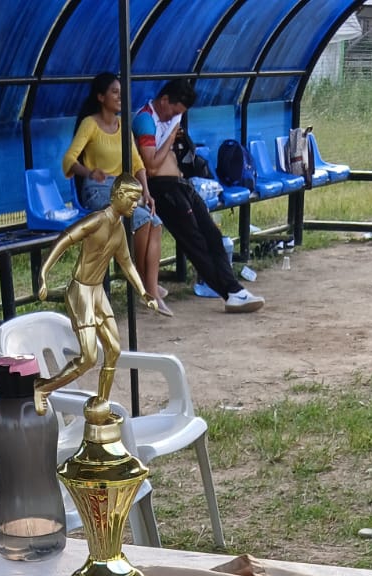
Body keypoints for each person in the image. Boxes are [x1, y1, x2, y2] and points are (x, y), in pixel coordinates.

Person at [134, 78, 264, 314]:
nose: (175, 117)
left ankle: (235, 290)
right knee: (195, 242)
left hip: (182, 185)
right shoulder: (145, 120)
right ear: (164, 100)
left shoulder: (173, 118)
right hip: (163, 189)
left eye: (179, 114)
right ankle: (229, 292)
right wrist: (171, 138)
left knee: (212, 234)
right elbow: (151, 166)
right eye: (174, 111)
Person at [35, 176, 159, 413]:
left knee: (113, 350)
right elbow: (65, 239)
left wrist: (144, 292)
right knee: (89, 358)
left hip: (97, 291)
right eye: (132, 199)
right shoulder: (97, 220)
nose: (136, 204)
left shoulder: (119, 229)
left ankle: (101, 404)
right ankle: (43, 388)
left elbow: (127, 263)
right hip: (80, 291)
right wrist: (43, 273)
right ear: (119, 195)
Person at [63, 72, 170, 316]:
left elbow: (137, 162)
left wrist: (147, 192)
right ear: (101, 97)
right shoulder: (90, 124)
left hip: (121, 191)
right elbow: (69, 160)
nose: (120, 97)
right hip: (97, 191)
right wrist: (89, 172)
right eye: (114, 92)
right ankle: (144, 286)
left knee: (155, 222)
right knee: (142, 220)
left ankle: (149, 286)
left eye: (121, 92)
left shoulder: (123, 126)